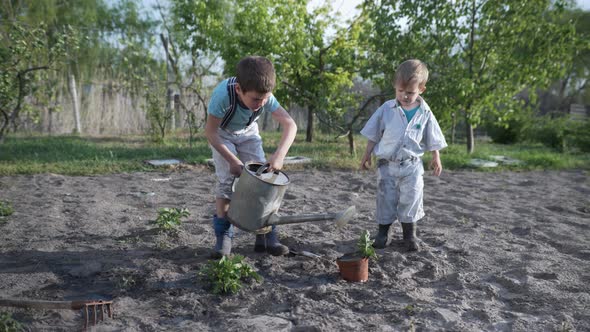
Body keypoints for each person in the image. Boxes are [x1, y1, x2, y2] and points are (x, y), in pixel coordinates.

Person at [205, 56, 297, 258]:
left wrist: (279, 155)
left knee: (264, 179)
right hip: (222, 134)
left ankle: (266, 234)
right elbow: (210, 132)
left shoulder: (265, 96)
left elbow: (291, 125)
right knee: (226, 183)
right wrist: (232, 160)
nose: (261, 103)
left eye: (265, 99)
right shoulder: (223, 96)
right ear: (239, 89)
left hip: (248, 133)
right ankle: (224, 237)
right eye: (256, 99)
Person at [359, 59, 447, 252]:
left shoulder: (425, 112)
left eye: (410, 92)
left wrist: (436, 156)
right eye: (400, 91)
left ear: (421, 89)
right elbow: (373, 133)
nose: (405, 96)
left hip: (412, 165)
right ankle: (383, 233)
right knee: (386, 197)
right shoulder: (386, 109)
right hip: (387, 164)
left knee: (412, 197)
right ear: (395, 87)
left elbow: (432, 135)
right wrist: (366, 154)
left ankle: (410, 235)